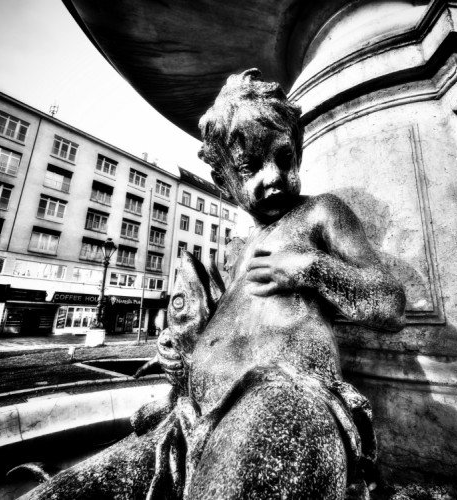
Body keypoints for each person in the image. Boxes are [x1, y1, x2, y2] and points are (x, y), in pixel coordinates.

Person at [157, 68, 406, 499]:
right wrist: (181, 354)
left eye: (284, 159)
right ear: (224, 181)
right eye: (250, 166)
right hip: (193, 417)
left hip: (286, 395)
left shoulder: (320, 212)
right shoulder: (235, 254)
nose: (273, 176)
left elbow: (390, 305)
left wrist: (308, 268)